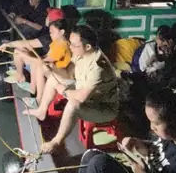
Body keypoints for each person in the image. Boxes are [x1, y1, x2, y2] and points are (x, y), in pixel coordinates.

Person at [23, 25, 119, 154]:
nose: (70, 47)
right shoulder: (81, 53)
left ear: (88, 47)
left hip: (103, 106)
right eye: (70, 43)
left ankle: (56, 141)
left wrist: (63, 90)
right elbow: (68, 73)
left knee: (73, 104)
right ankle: (41, 111)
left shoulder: (97, 66)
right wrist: (52, 68)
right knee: (53, 78)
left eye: (74, 45)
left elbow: (81, 97)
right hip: (87, 93)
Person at [0, 8, 66, 92]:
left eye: (48, 16)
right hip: (42, 59)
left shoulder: (50, 38)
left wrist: (9, 44)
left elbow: (28, 44)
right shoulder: (49, 31)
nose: (46, 17)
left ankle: (24, 80)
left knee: (19, 52)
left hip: (47, 66)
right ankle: (21, 76)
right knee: (22, 51)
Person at [28, 19, 73, 107]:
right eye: (50, 32)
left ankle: (39, 99)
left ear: (62, 32)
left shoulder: (63, 45)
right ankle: (33, 88)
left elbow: (47, 60)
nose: (50, 34)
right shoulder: (56, 43)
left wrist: (25, 56)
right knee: (36, 63)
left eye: (52, 32)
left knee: (41, 66)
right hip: (57, 71)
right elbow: (46, 57)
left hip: (64, 74)